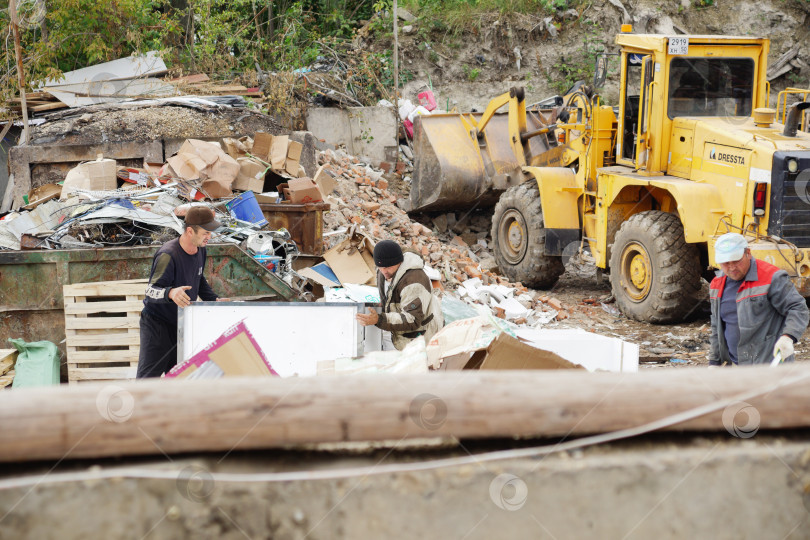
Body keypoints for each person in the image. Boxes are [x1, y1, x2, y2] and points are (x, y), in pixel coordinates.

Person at [137, 207, 228, 378]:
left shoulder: (200, 248)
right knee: (148, 380)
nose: (209, 237)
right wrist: (170, 293)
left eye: (211, 233)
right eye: (205, 232)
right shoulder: (168, 254)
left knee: (180, 377)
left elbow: (199, 280)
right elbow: (150, 291)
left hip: (180, 324)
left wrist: (215, 300)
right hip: (157, 325)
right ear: (189, 231)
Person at [709, 233, 809, 366]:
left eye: (736, 261)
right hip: (735, 368)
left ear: (748, 253)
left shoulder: (771, 277)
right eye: (726, 263)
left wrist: (788, 337)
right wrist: (714, 362)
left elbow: (797, 308)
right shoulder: (717, 284)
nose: (732, 267)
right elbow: (717, 328)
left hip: (769, 367)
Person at [356, 240, 443, 351]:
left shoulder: (413, 281)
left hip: (420, 336)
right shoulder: (383, 270)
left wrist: (379, 319)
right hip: (400, 330)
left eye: (388, 267)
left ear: (400, 262)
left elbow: (412, 319)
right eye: (380, 267)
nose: (384, 271)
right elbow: (388, 297)